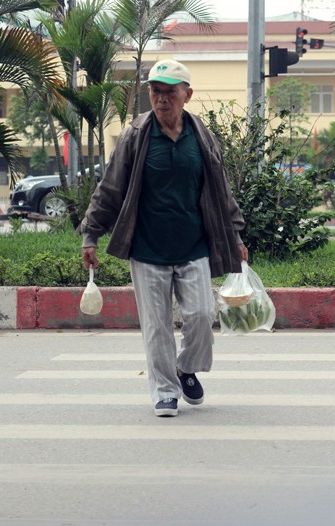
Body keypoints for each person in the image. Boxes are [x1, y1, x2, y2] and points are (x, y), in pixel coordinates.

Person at [80, 59, 249, 417]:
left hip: (194, 246)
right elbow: (110, 189)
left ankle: (185, 368)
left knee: (202, 316)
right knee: (157, 327)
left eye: (170, 92)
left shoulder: (200, 137)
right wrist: (90, 234)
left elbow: (221, 190)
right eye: (156, 92)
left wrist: (233, 233)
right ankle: (164, 390)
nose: (162, 99)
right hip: (147, 249)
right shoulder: (135, 136)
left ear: (187, 94)